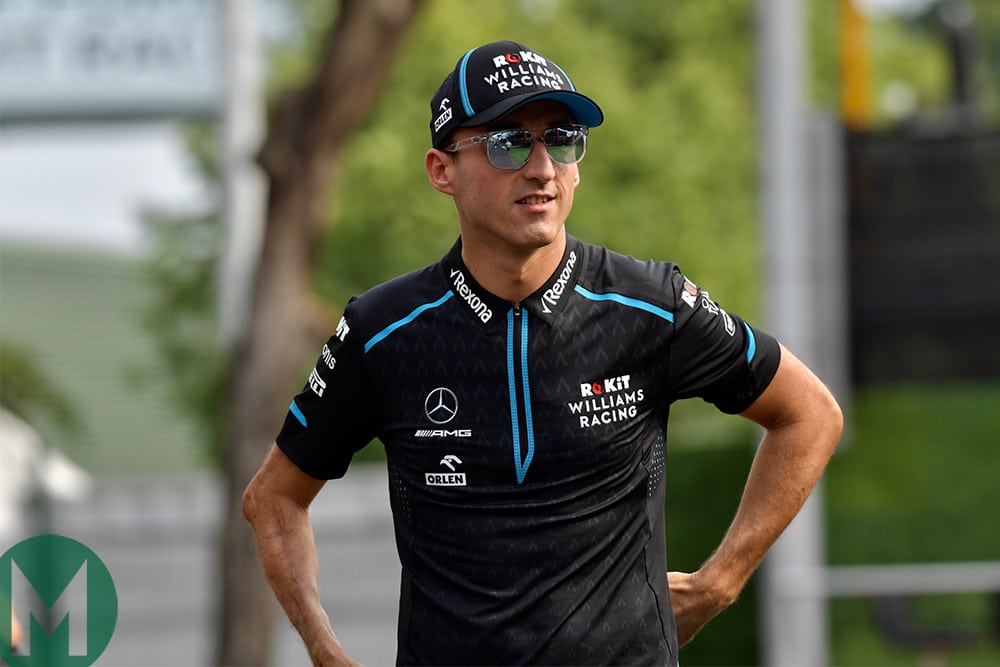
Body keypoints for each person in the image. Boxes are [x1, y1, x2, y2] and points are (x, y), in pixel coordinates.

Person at [243, 40, 843, 666]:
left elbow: (810, 414)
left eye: (561, 139)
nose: (541, 168)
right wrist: (322, 647)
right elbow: (273, 498)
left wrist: (719, 585)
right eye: (508, 142)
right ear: (441, 170)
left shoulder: (650, 305)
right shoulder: (383, 330)